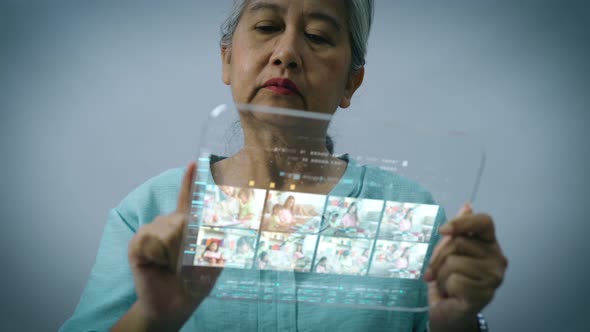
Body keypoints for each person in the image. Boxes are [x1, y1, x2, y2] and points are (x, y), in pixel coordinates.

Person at [61, 1, 507, 331]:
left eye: (317, 36)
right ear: (227, 60)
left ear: (351, 82)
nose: (287, 52)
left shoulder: (411, 215)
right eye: (267, 26)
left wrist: (459, 323)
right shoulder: (149, 214)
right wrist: (155, 317)